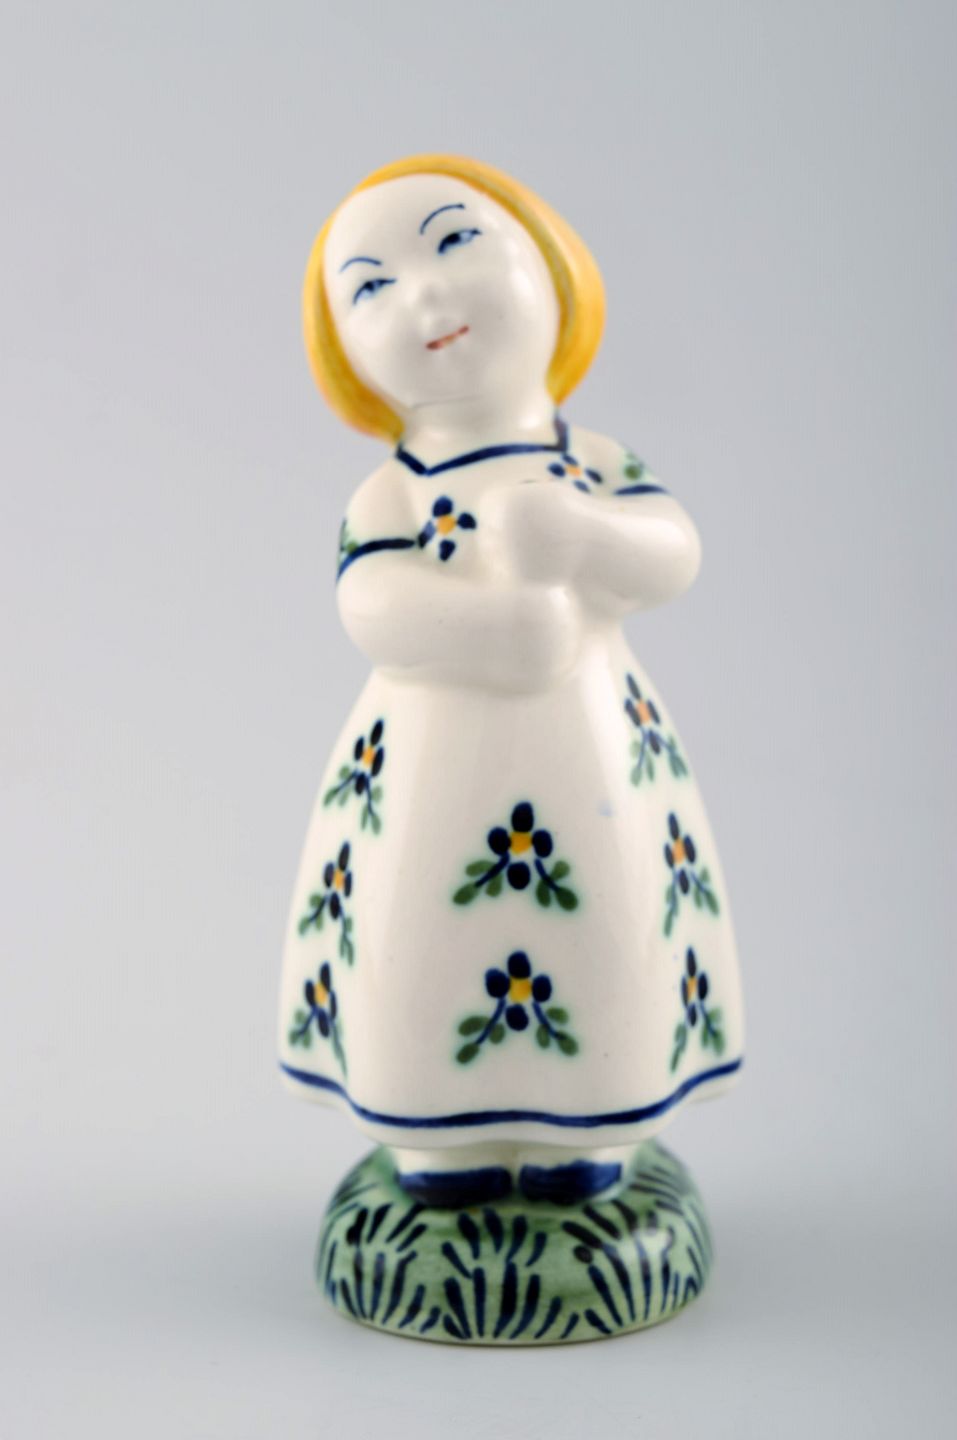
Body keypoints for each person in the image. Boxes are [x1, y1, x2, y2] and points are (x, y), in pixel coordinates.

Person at [278, 154, 743, 1208]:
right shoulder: (392, 494)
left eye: (455, 241)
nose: (426, 296)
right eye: (371, 287)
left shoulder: (595, 462)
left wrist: (582, 532)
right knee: (419, 924)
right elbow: (369, 602)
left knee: (608, 909)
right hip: (430, 766)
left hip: (592, 747)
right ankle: (439, 1145)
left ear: (550, 265)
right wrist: (495, 628)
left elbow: (672, 551)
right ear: (344, 354)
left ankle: (592, 1134)